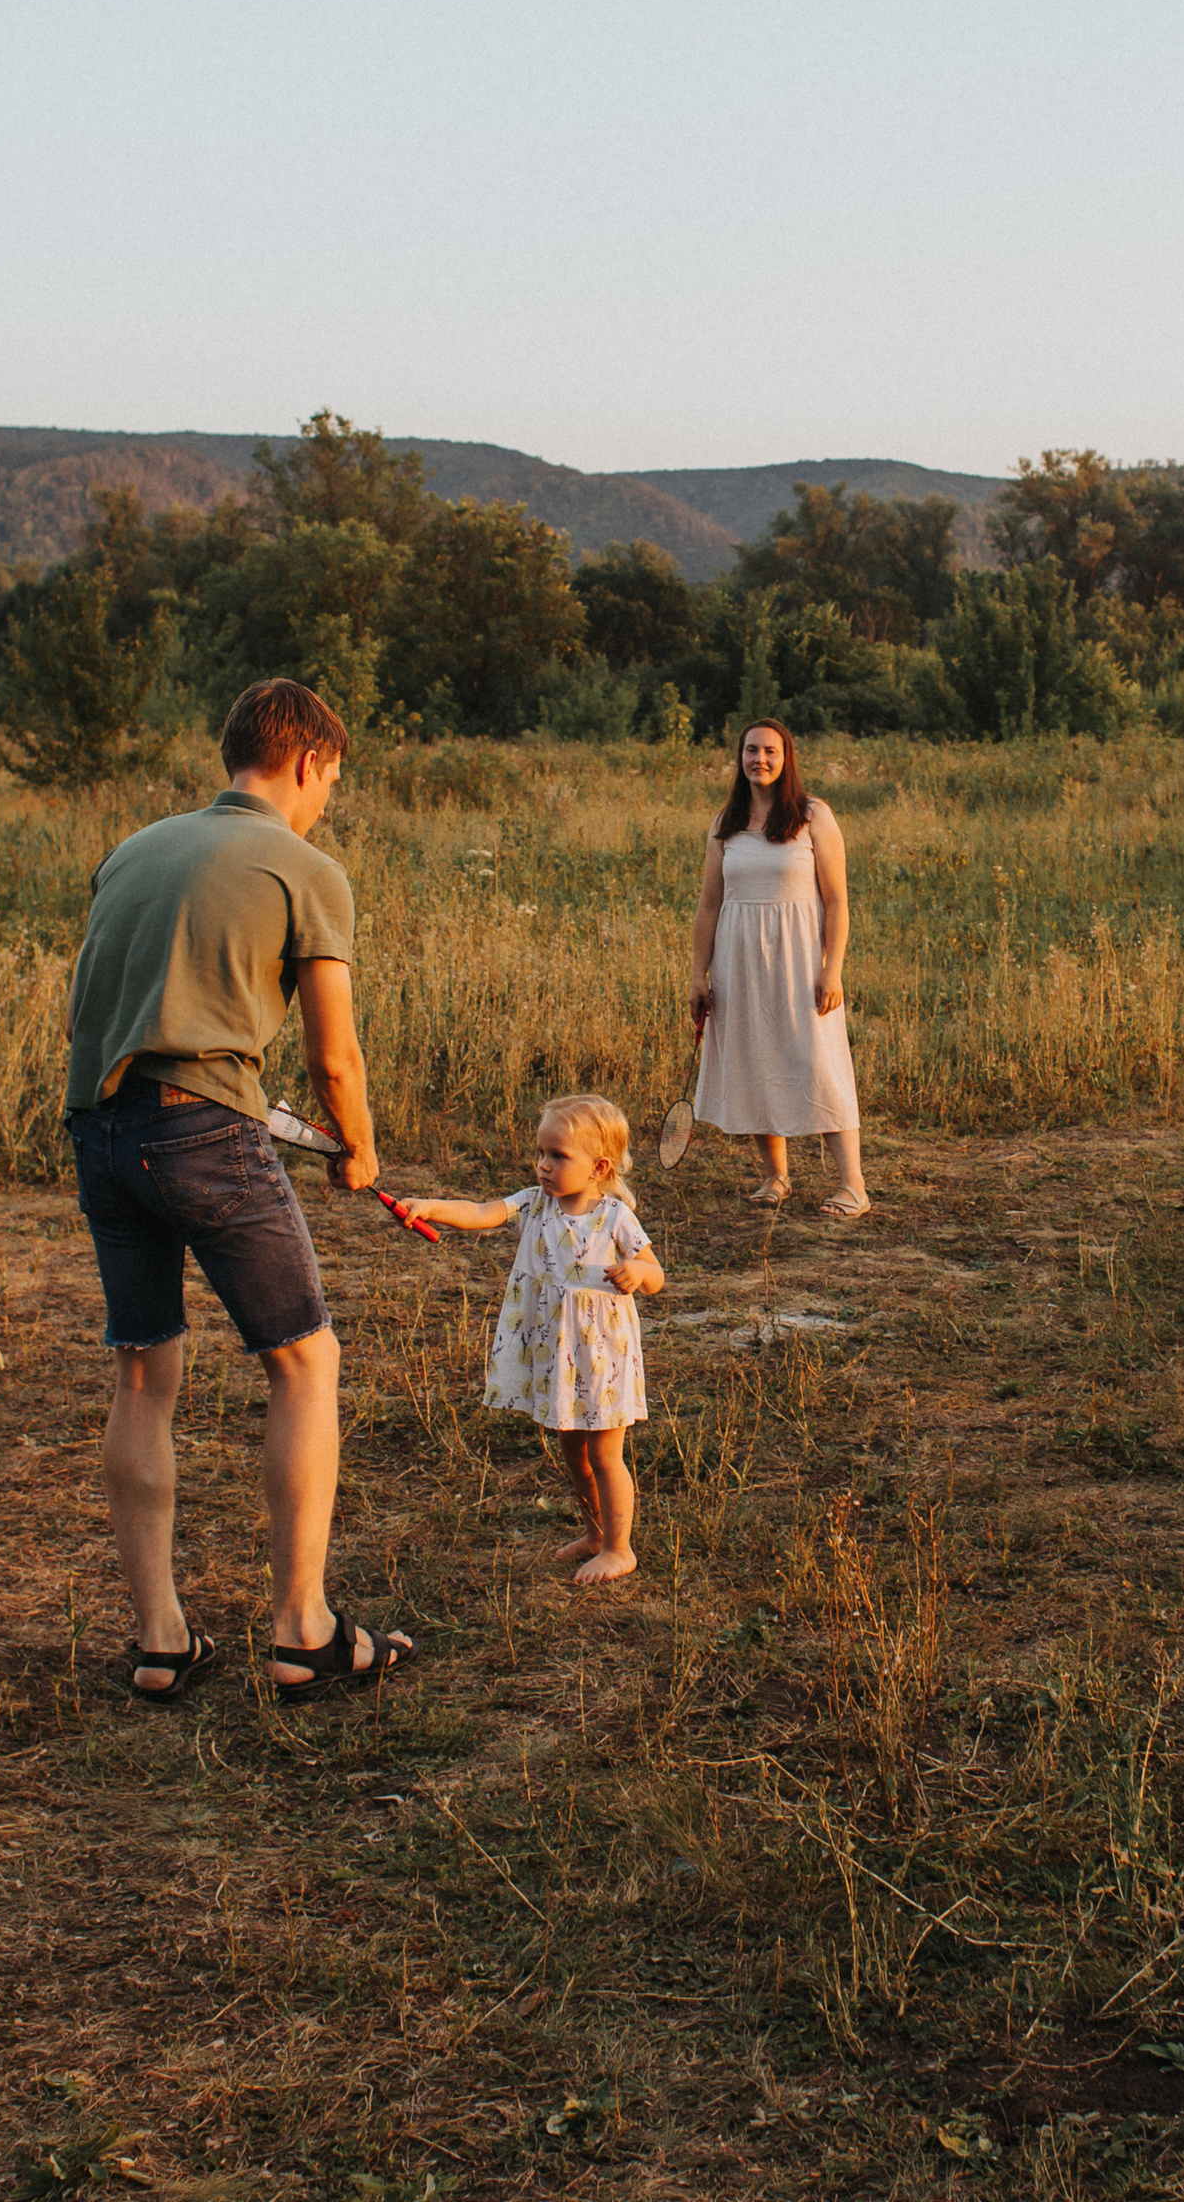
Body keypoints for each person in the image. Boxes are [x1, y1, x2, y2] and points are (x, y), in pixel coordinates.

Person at [64, 675, 415, 1707]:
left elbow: (96, 1003)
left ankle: (160, 1643)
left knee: (141, 1373)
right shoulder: (305, 867)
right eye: (331, 781)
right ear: (307, 760)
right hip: (204, 1133)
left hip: (100, 1127)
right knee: (305, 1361)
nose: (327, 802)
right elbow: (333, 1052)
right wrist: (358, 1147)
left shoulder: (134, 849)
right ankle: (303, 1631)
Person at [404, 1095, 664, 1586]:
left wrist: (637, 1272)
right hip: (556, 1352)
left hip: (602, 1354)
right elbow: (483, 1212)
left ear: (598, 1167)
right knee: (574, 1453)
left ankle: (618, 1548)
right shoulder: (534, 1202)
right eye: (541, 1153)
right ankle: (593, 1533)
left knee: (606, 1454)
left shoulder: (614, 1218)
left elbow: (656, 1273)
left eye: (558, 1156)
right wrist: (432, 1207)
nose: (543, 1165)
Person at [687, 719, 867, 1215]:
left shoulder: (813, 816)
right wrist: (698, 976)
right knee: (753, 1061)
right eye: (750, 750)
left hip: (800, 960)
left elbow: (837, 901)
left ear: (786, 757)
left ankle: (853, 1185)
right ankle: (775, 1176)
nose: (758, 759)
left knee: (820, 1064)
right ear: (739, 757)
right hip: (738, 961)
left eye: (769, 750)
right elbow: (708, 905)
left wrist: (833, 970)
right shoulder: (726, 821)